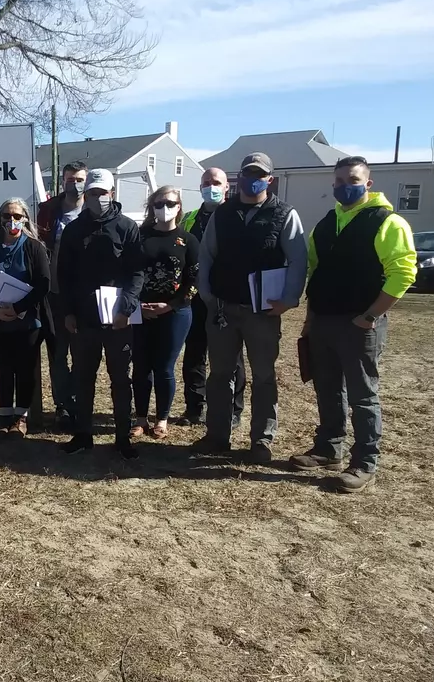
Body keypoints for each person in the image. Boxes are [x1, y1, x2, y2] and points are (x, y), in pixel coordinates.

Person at [290, 156, 417, 492]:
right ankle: (329, 449)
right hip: (324, 321)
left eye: (353, 180)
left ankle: (364, 462)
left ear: (368, 183)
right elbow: (315, 274)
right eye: (340, 182)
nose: (345, 187)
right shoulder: (326, 223)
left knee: (362, 396)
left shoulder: (387, 222)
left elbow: (403, 273)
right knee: (328, 389)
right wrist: (310, 320)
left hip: (361, 325)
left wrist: (370, 316)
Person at [192, 153, 308, 462]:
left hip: (263, 313)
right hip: (223, 308)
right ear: (239, 177)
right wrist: (206, 294)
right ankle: (217, 435)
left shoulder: (284, 214)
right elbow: (207, 256)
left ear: (270, 179)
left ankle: (262, 440)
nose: (252, 178)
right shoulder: (223, 213)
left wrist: (289, 298)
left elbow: (298, 260)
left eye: (259, 174)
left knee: (264, 376)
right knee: (219, 375)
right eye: (247, 173)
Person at [56, 168, 145, 458]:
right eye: (92, 193)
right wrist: (68, 312)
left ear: (112, 193)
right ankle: (83, 435)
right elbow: (64, 274)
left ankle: (122, 438)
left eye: (102, 193)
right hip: (83, 318)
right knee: (83, 376)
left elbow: (136, 272)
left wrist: (127, 308)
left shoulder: (128, 228)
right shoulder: (73, 229)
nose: (97, 198)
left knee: (120, 377)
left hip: (118, 317)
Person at [0, 198, 52, 439]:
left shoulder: (34, 247)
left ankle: (21, 417)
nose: (12, 220)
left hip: (28, 321)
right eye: (7, 216)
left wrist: (19, 307)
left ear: (26, 219)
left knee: (25, 370)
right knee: (4, 369)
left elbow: (43, 284)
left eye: (17, 216)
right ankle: (4, 415)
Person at [177, 168, 246, 428]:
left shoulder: (236, 216)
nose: (211, 186)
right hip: (195, 298)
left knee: (231, 357)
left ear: (227, 186)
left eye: (216, 182)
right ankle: (195, 407)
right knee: (194, 353)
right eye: (206, 182)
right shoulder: (190, 218)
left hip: (226, 296)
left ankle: (233, 409)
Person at [130, 186, 199, 440]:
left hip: (175, 313)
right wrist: (136, 305)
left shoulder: (188, 240)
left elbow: (195, 278)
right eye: (159, 203)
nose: (164, 208)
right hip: (140, 311)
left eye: (170, 203)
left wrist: (170, 305)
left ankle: (161, 419)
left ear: (179, 207)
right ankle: (139, 419)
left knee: (164, 368)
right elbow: (128, 273)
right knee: (140, 367)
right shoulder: (139, 237)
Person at [37, 161, 87, 430]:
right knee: (58, 354)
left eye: (79, 179)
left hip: (83, 298)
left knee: (82, 354)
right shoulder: (48, 211)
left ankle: (78, 402)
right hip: (54, 295)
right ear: (62, 181)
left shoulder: (93, 210)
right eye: (70, 179)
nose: (75, 184)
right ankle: (62, 405)